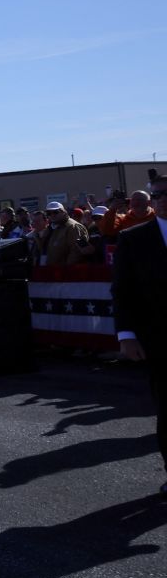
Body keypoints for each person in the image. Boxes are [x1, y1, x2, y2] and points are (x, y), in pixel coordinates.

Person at [110, 173, 167, 497]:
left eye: (164, 194)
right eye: (155, 194)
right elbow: (123, 290)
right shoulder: (134, 239)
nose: (160, 199)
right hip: (160, 338)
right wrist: (127, 335)